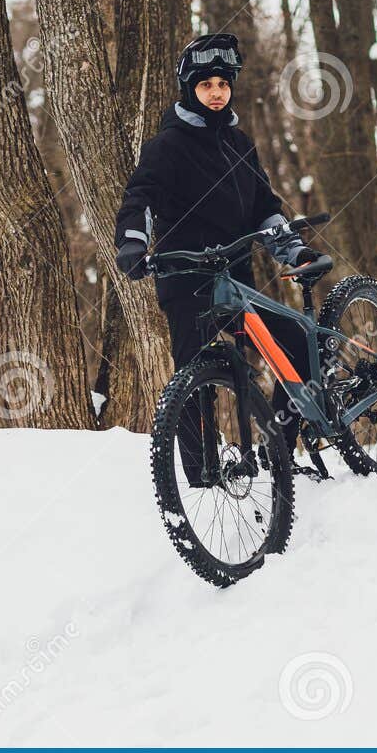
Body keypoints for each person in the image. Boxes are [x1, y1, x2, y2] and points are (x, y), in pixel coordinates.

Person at [113, 32, 320, 486]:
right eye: (206, 84)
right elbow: (140, 197)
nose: (216, 92)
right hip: (186, 278)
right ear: (190, 88)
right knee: (193, 378)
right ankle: (203, 477)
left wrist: (292, 250)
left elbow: (265, 208)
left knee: (301, 343)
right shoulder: (167, 145)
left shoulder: (240, 143)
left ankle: (279, 450)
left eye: (223, 84)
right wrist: (132, 243)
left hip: (236, 278)